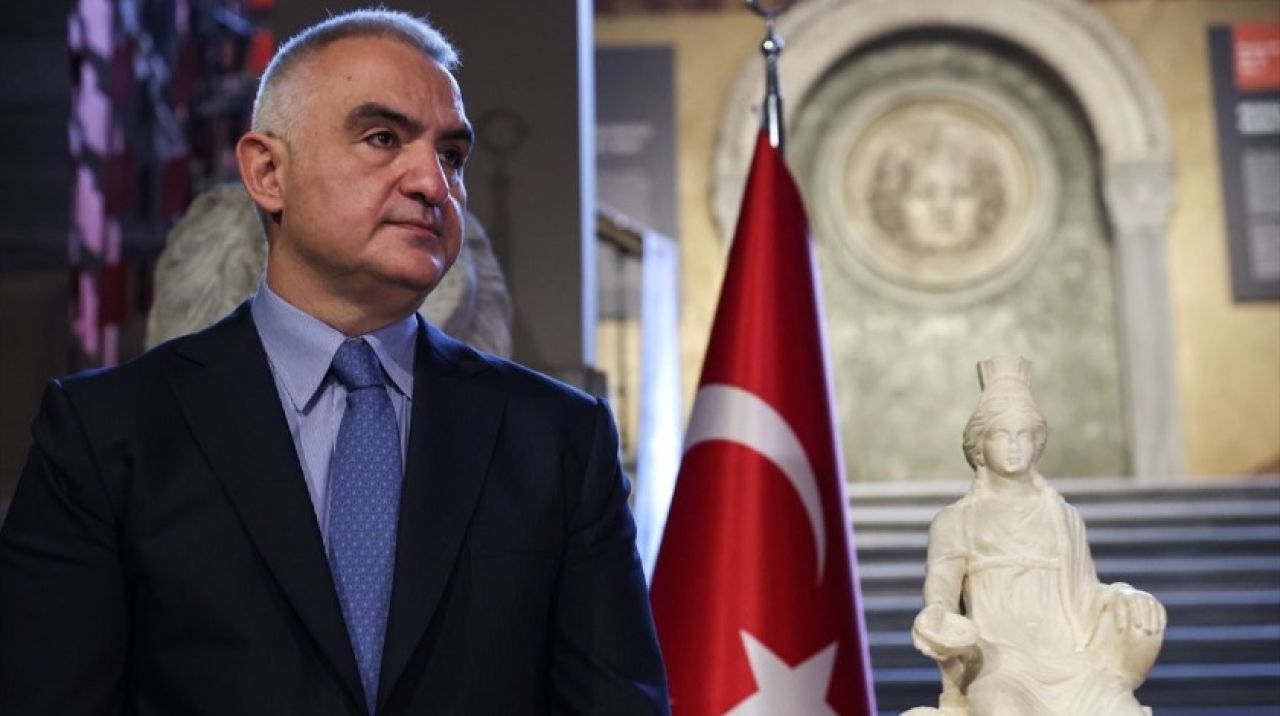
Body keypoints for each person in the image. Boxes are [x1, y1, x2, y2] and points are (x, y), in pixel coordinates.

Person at [0, 9, 668, 715]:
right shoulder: (106, 434)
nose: (433, 183)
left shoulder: (558, 441)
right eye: (383, 139)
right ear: (267, 172)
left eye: (451, 155)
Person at [906, 356, 1164, 716]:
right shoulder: (956, 520)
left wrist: (1125, 594)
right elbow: (940, 600)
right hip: (999, 665)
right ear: (979, 446)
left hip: (1072, 661)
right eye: (1001, 435)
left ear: (1037, 442)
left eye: (1023, 435)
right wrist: (938, 621)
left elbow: (1086, 593)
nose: (1014, 445)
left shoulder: (1063, 516)